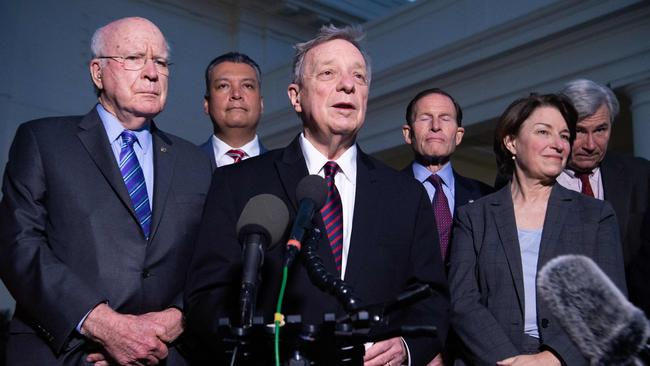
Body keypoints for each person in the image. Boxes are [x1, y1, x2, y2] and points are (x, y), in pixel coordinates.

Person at [184, 25, 450, 366]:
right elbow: (206, 297)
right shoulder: (238, 182)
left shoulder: (406, 195)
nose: (348, 85)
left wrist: (407, 347)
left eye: (359, 76)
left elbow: (432, 298)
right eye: (328, 73)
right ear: (296, 96)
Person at [0, 17, 212, 365]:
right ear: (98, 73)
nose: (151, 73)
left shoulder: (195, 162)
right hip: (68, 354)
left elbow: (214, 262)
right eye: (133, 58)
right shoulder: (43, 141)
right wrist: (104, 325)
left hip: (167, 354)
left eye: (160, 61)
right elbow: (18, 244)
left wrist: (175, 319)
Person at [448, 94, 626, 365]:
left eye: (564, 136)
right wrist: (510, 360)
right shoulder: (473, 217)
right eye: (544, 131)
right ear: (511, 142)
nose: (558, 144)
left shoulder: (596, 215)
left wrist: (553, 358)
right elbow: (462, 302)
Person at [557, 79, 650, 316]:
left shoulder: (640, 175)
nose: (591, 145)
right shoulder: (528, 181)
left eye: (600, 130)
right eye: (579, 131)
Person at [401, 88, 493, 264]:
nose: (435, 126)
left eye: (445, 118)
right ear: (408, 133)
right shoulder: (384, 193)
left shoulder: (485, 197)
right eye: (425, 118)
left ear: (458, 136)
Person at [199, 52, 266, 169]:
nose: (236, 94)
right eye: (223, 86)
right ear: (207, 104)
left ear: (261, 104)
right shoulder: (183, 165)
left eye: (247, 86)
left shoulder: (284, 170)